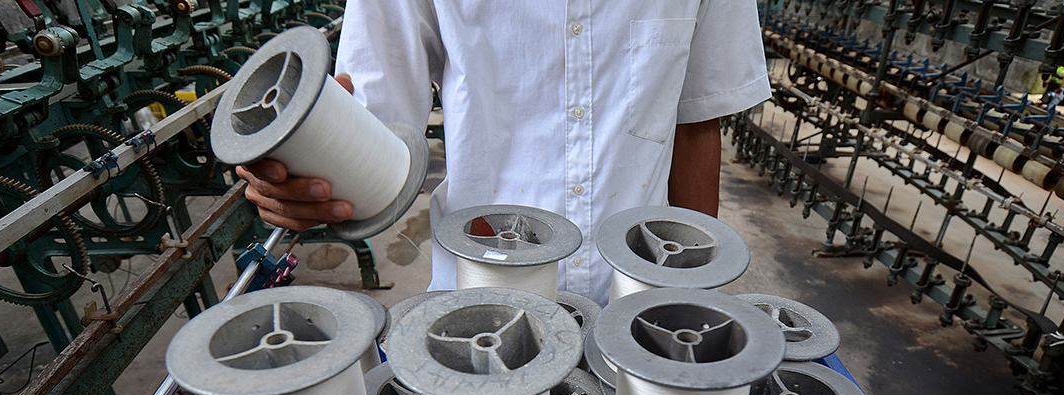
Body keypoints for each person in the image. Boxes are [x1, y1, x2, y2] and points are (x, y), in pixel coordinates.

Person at [235, 2, 770, 305]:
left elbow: (697, 120)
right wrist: (308, 175)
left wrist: (694, 294)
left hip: (636, 297)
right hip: (478, 292)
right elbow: (372, 126)